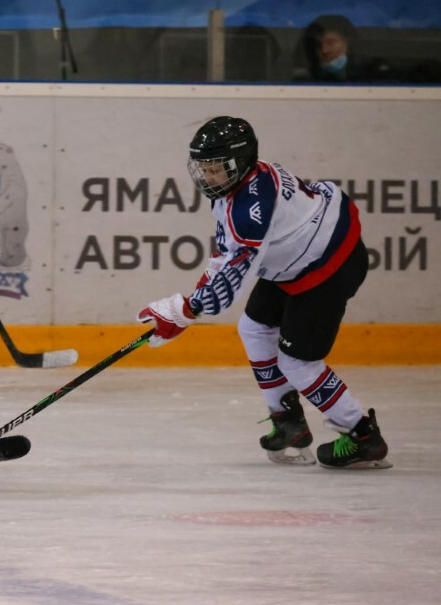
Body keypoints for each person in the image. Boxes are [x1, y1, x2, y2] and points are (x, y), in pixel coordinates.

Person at [136, 116, 390, 471]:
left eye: (216, 169)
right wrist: (187, 306)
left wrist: (185, 309)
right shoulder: (242, 183)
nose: (207, 177)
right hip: (298, 257)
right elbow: (225, 256)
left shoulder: (250, 212)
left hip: (329, 267)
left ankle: (363, 434)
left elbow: (228, 284)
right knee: (254, 328)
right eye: (203, 168)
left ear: (240, 162)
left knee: (298, 363)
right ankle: (288, 421)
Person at [294, 14, 391, 84]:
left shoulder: (371, 78)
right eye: (318, 44)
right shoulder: (303, 82)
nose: (324, 50)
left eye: (331, 42)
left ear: (348, 42)